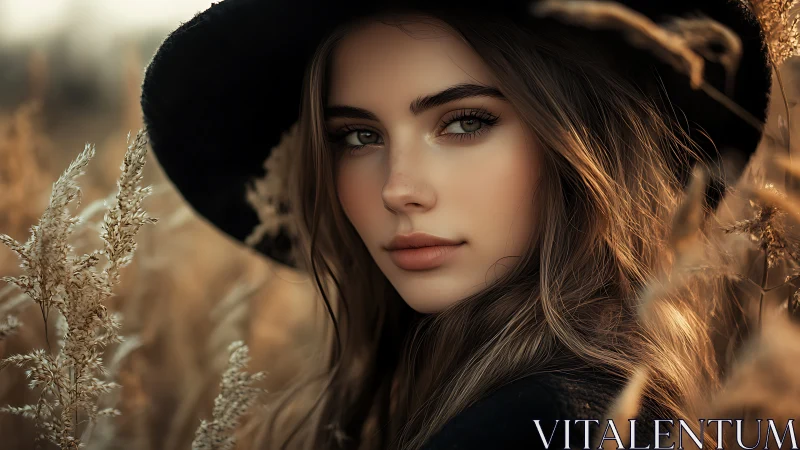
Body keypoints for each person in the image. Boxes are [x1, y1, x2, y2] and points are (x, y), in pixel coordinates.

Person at [140, 0, 773, 449]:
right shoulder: (634, 394)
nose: (397, 189)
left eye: (464, 122)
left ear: (581, 142)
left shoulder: (536, 421)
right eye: (357, 136)